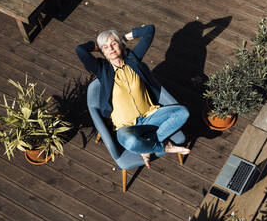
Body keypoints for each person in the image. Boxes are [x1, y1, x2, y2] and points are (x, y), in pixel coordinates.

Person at [76, 24, 190, 168]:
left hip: (151, 117)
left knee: (182, 113)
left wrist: (123, 38)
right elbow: (80, 50)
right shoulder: (102, 70)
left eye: (113, 44)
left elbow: (149, 31)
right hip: (127, 128)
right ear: (103, 53)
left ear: (120, 45)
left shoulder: (133, 60)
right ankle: (163, 147)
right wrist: (96, 46)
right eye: (106, 47)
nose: (111, 48)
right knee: (130, 142)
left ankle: (146, 146)